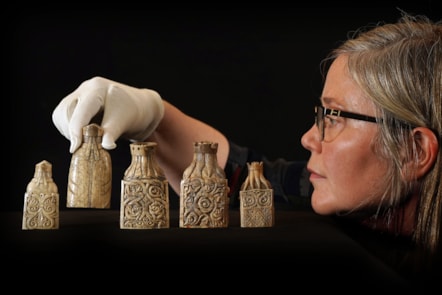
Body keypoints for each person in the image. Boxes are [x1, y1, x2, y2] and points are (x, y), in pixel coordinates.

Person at [52, 13, 441, 281]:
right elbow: (241, 177)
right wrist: (153, 114)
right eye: (321, 113)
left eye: (334, 116)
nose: (309, 137)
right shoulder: (358, 204)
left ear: (415, 151)